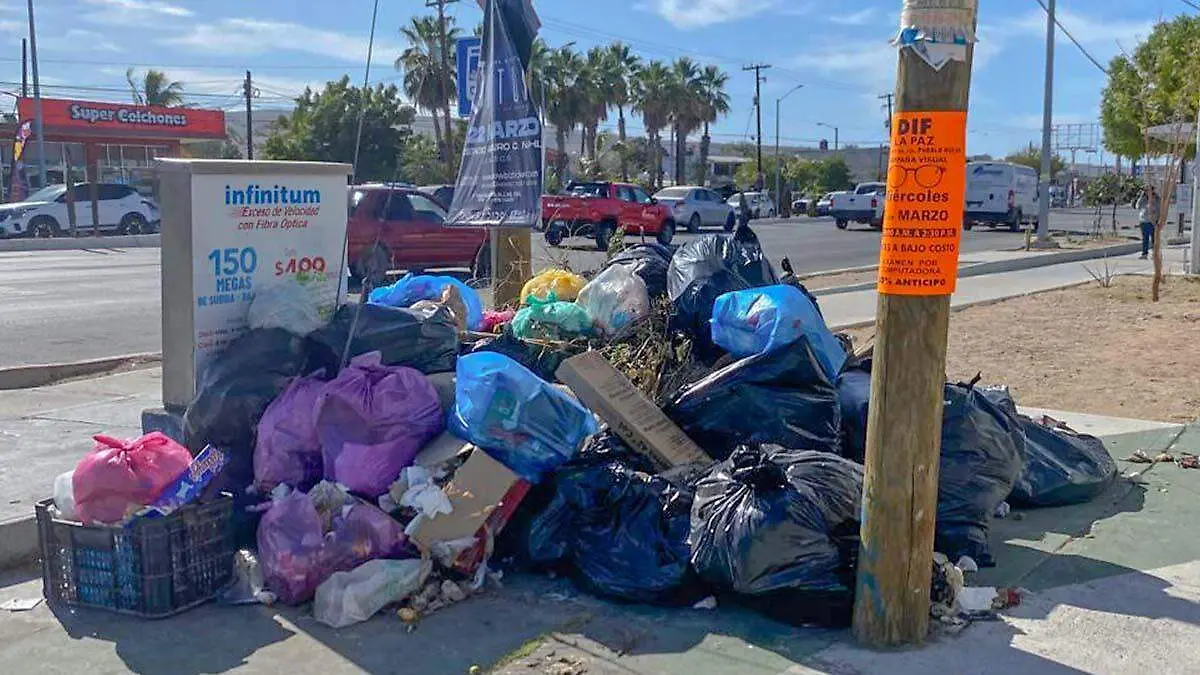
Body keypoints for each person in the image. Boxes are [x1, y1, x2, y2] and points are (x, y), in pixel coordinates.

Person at [1137, 186, 1160, 260]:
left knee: (1154, 239)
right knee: (1145, 238)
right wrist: (1141, 196)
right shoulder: (1143, 199)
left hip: (1153, 221)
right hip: (1144, 220)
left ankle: (1155, 254)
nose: (1147, 192)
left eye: (1149, 190)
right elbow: (1137, 206)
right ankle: (1144, 253)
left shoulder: (1156, 199)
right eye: (1146, 191)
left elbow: (1159, 209)